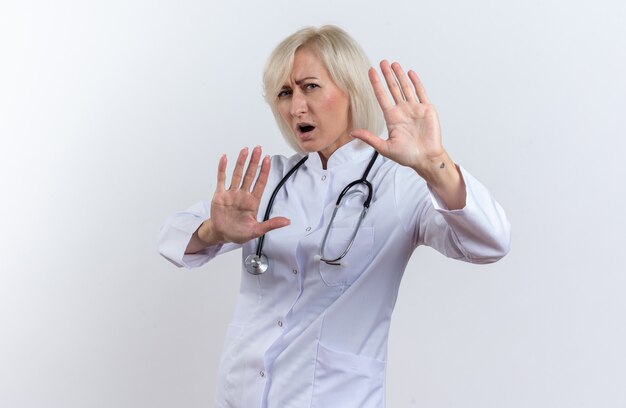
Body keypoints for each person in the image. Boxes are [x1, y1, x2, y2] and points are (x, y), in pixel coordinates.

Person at [158, 25, 510, 408]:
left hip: (335, 396)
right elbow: (172, 237)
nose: (296, 108)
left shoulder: (399, 182)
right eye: (284, 93)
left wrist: (436, 165)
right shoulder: (270, 178)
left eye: (310, 86)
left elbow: (490, 243)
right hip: (242, 393)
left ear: (351, 89)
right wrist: (212, 232)